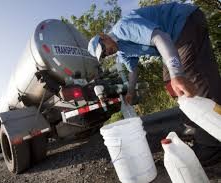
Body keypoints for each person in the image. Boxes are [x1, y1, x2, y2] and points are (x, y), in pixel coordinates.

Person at [88, 2, 221, 166]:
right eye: (104, 56)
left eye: (104, 49)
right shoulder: (122, 51)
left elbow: (161, 38)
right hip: (176, 38)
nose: (108, 53)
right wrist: (130, 91)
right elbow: (133, 71)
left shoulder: (123, 28)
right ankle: (198, 122)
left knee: (190, 75)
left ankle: (212, 144)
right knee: (170, 81)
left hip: (184, 23)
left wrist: (177, 74)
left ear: (104, 37)